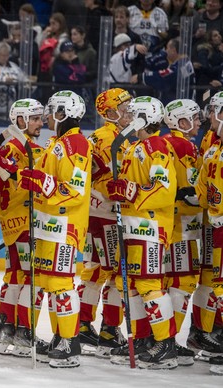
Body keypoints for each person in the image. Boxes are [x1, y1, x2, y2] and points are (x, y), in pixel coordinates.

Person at [18, 90, 92, 368]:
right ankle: (60, 335)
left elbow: (73, 189)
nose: (48, 116)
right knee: (49, 283)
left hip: (65, 226)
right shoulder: (58, 143)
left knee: (61, 284)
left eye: (52, 111)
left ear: (63, 113)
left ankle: (71, 342)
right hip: (47, 225)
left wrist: (39, 182)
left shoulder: (77, 144)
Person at [106, 96, 178, 370]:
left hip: (150, 228)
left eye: (132, 114)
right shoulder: (135, 146)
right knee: (131, 287)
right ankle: (143, 339)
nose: (126, 118)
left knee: (149, 286)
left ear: (144, 118)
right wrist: (120, 188)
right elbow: (130, 187)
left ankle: (166, 343)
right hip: (131, 227)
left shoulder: (157, 145)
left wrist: (129, 191)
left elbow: (163, 188)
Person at [0, 98, 48, 358]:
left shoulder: (11, 146)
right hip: (26, 223)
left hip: (11, 224)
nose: (39, 123)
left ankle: (7, 333)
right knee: (33, 279)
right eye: (33, 118)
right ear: (20, 120)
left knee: (13, 277)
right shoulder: (24, 148)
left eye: (39, 118)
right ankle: (25, 335)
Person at [77, 88, 132, 357]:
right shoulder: (103, 137)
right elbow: (92, 176)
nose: (130, 110)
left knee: (103, 271)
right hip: (102, 212)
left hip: (108, 212)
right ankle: (96, 327)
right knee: (103, 271)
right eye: (124, 106)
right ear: (110, 112)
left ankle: (93, 326)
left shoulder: (122, 136)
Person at [162, 99, 204, 366]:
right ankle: (170, 340)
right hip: (183, 225)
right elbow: (191, 190)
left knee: (166, 282)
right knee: (184, 282)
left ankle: (160, 338)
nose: (198, 122)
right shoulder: (184, 145)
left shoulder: (166, 141)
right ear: (181, 121)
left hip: (168, 222)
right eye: (194, 118)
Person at [192, 91, 223, 359]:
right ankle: (208, 331)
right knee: (217, 281)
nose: (209, 117)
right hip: (214, 224)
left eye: (214, 112)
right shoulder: (213, 145)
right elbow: (203, 183)